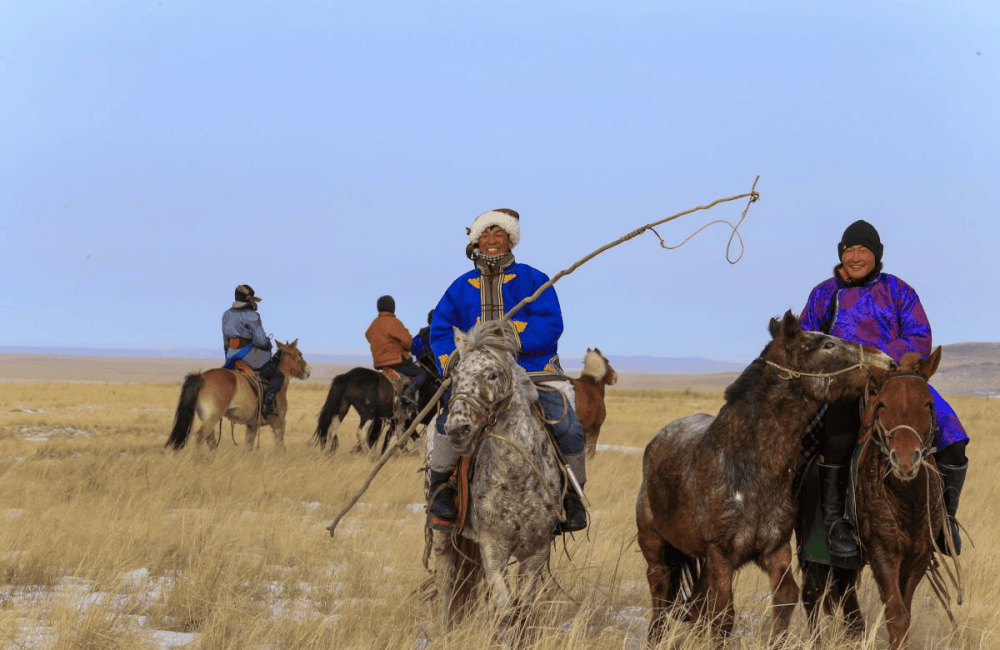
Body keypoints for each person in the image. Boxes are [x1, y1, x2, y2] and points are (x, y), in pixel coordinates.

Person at [800, 220, 969, 558]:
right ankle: (836, 525)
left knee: (952, 434)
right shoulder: (824, 293)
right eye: (849, 250)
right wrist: (839, 364)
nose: (856, 256)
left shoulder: (898, 291)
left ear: (876, 256)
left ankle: (944, 522)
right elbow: (806, 339)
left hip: (897, 380)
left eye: (863, 250)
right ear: (841, 255)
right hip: (844, 384)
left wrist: (883, 358)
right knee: (838, 436)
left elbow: (920, 336)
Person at [427, 208, 588, 533]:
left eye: (498, 234)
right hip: (476, 376)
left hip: (531, 372)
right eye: (484, 235)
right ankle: (441, 491)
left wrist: (511, 335)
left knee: (567, 425)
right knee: (448, 423)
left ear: (510, 239)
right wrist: (457, 361)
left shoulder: (534, 280)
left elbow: (551, 324)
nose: (491, 240)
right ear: (475, 242)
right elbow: (441, 330)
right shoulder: (460, 288)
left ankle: (571, 495)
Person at [222, 284, 284, 419]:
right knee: (277, 374)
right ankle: (267, 406)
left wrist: (228, 357)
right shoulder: (252, 316)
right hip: (248, 355)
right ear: (249, 300)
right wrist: (268, 344)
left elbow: (225, 341)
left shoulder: (226, 314)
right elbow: (261, 341)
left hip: (232, 355)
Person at [364, 295, 427, 407]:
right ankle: (409, 393)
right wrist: (402, 347)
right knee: (421, 374)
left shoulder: (374, 324)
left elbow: (368, 335)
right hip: (397, 361)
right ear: (392, 307)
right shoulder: (393, 322)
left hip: (380, 364)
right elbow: (408, 341)